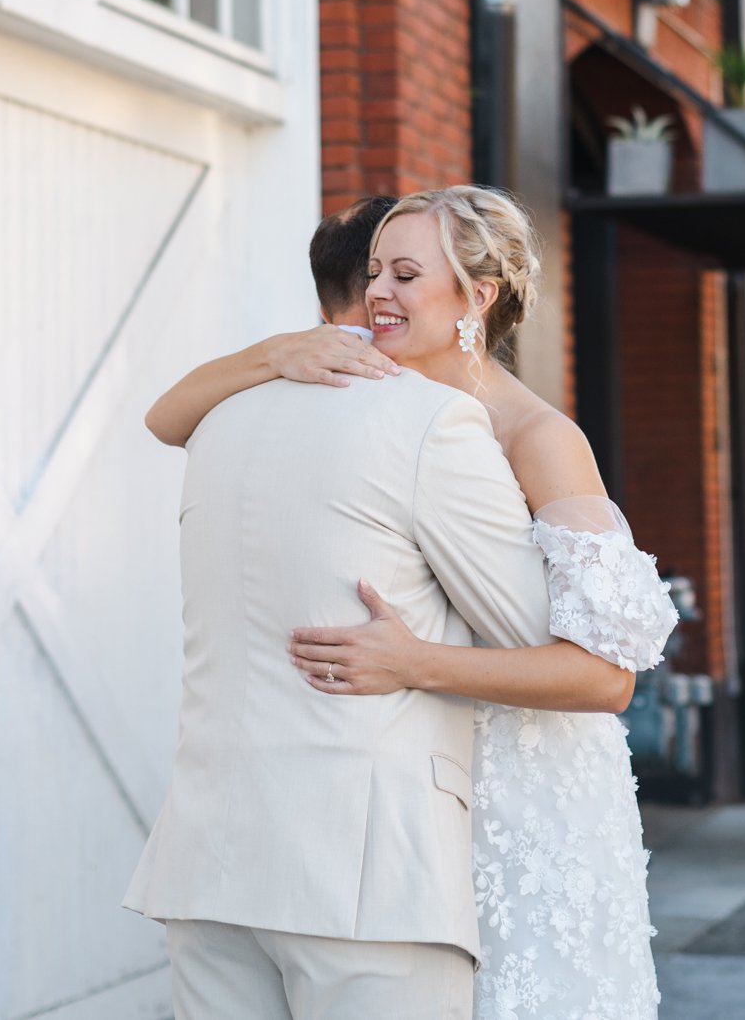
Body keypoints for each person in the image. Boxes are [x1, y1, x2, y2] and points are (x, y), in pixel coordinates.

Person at [145, 187, 674, 1020]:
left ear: (479, 295)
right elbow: (167, 414)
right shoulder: (358, 369)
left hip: (520, 791)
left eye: (404, 274)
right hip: (406, 804)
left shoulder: (538, 437)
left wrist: (413, 662)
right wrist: (278, 351)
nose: (378, 294)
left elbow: (607, 679)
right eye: (375, 273)